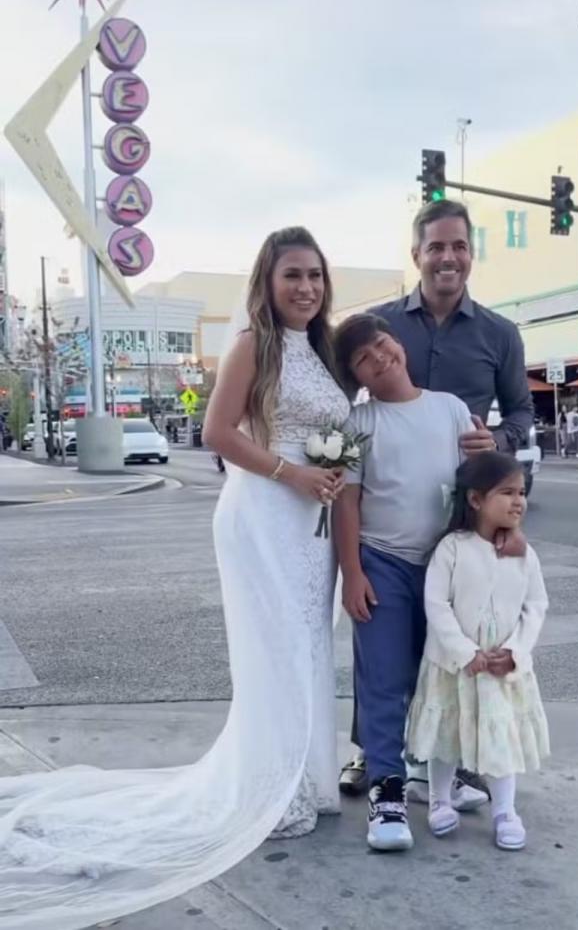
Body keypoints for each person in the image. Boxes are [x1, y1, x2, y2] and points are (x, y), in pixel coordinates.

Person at [0, 227, 349, 929]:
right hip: (262, 514)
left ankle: (306, 776)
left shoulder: (325, 348)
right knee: (273, 652)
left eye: (314, 275)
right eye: (292, 276)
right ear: (267, 280)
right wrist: (295, 472)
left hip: (310, 525)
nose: (306, 287)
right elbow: (220, 433)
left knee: (308, 646)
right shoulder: (255, 343)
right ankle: (272, 789)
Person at [339, 198, 534, 803]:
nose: (447, 257)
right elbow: (343, 393)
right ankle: (373, 759)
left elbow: (524, 414)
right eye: (436, 246)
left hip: (463, 527)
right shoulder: (382, 325)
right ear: (416, 254)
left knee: (457, 645)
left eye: (458, 246)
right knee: (384, 655)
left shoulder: (500, 333)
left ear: (470, 253)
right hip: (388, 528)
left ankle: (453, 759)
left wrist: (495, 439)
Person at [332, 313, 476, 850]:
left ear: (399, 344)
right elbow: (348, 501)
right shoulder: (357, 424)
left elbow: (474, 488)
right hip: (383, 562)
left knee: (442, 674)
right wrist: (353, 574)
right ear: (357, 376)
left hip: (445, 562)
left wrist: (498, 537)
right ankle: (387, 789)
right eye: (364, 358)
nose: (380, 356)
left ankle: (441, 775)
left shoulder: (451, 409)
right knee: (385, 680)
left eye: (382, 343)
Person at [406, 451, 550, 850]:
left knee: (501, 734)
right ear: (475, 499)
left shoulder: (525, 554)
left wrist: (516, 652)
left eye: (521, 492)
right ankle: (439, 800)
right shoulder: (452, 548)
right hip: (455, 666)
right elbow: (436, 604)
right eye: (506, 492)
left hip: (501, 669)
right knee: (445, 735)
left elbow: (535, 606)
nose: (518, 500)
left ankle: (505, 810)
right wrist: (464, 651)